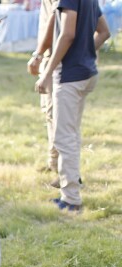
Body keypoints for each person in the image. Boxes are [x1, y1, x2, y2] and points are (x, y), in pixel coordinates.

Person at [35, 0, 109, 213]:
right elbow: (104, 32)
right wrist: (85, 52)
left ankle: (71, 200)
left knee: (63, 137)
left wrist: (47, 72)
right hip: (86, 73)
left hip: (69, 76)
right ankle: (72, 186)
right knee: (72, 134)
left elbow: (67, 34)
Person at [27, 0, 59, 176]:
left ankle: (60, 169)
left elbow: (54, 20)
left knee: (55, 117)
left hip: (54, 58)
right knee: (51, 114)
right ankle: (54, 162)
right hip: (54, 57)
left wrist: (38, 55)